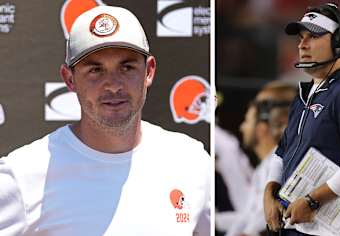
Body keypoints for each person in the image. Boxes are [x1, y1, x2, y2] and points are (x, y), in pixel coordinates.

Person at [0, 6, 210, 236]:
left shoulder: (191, 160)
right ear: (69, 79)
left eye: (127, 67)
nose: (113, 85)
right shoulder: (22, 174)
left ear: (148, 72)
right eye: (95, 70)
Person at [263, 3, 340, 236]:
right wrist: (269, 195)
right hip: (296, 226)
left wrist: (313, 201)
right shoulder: (305, 94)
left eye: (314, 36)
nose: (302, 44)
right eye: (301, 37)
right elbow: (281, 154)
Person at [216, 81, 296, 236]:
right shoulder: (263, 168)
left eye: (248, 120)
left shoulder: (283, 163)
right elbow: (247, 218)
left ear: (262, 127)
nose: (242, 127)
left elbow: (261, 223)